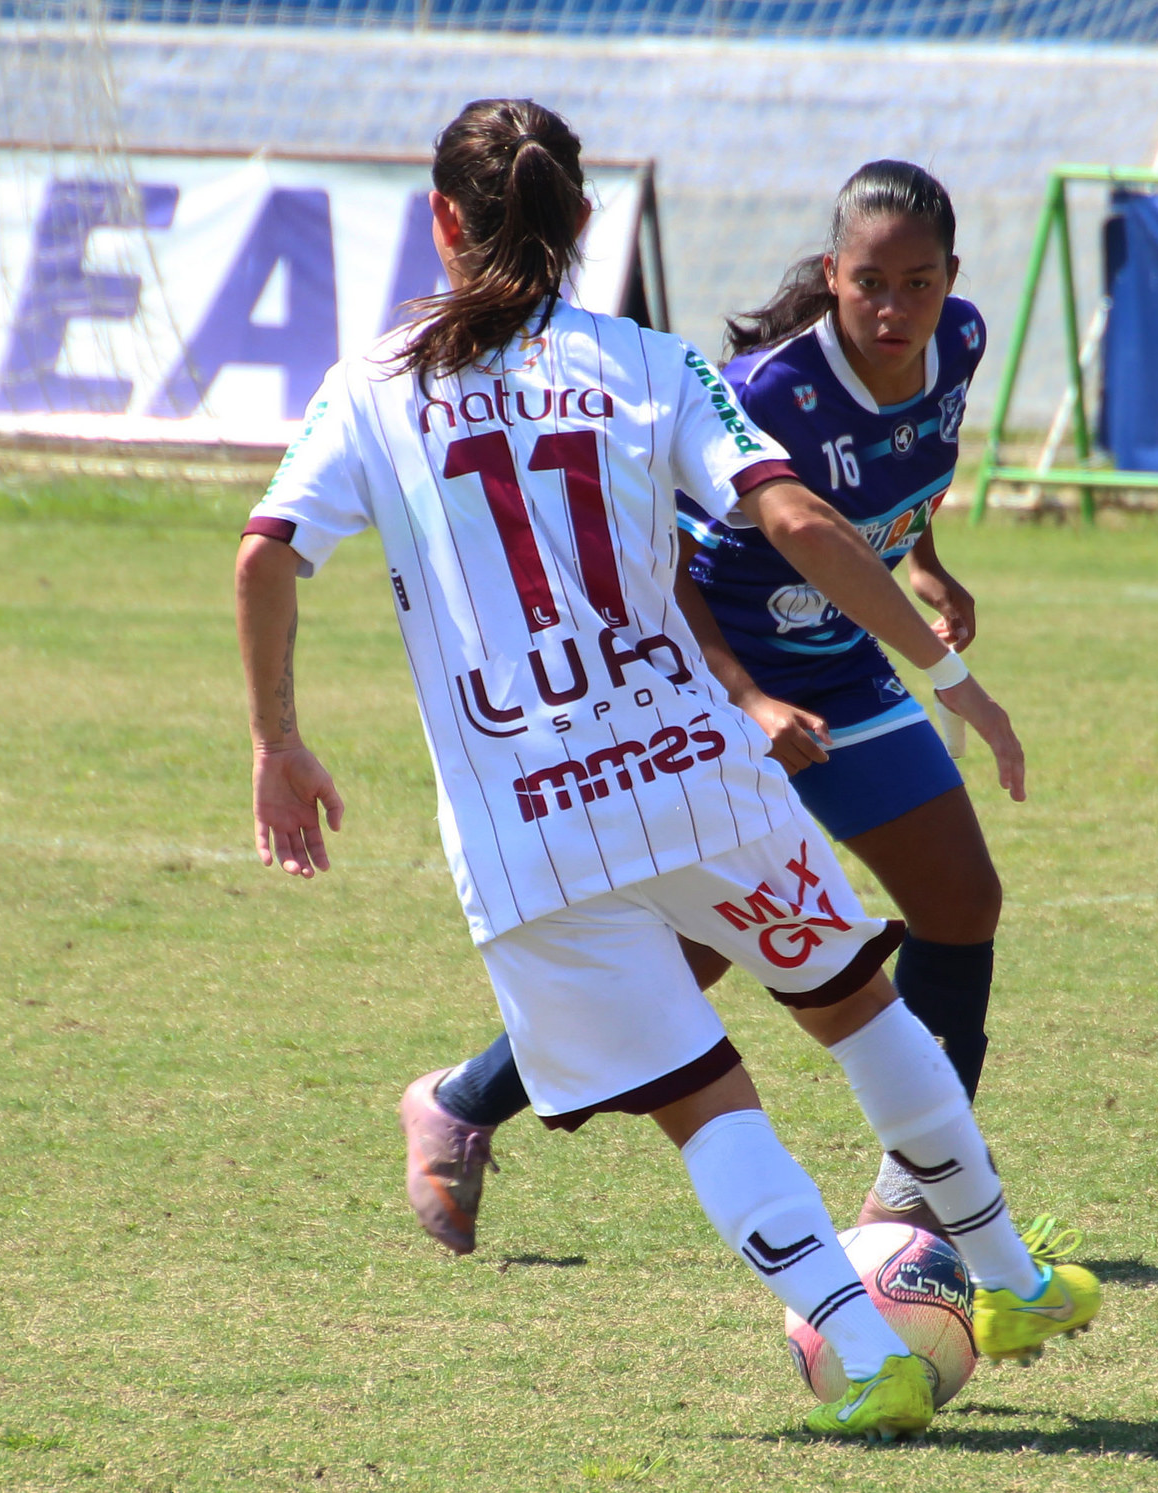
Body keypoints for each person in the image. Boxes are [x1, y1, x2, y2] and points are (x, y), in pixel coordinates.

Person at [236, 99, 1097, 1440]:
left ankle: (861, 1351)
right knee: (864, 1009)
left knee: (706, 1101)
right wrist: (950, 669)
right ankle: (1009, 1279)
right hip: (698, 771)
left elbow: (266, 554)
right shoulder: (652, 362)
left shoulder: (370, 387)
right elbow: (797, 515)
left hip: (531, 826)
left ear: (442, 223)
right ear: (588, 223)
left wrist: (276, 740)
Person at [401, 160, 1063, 1259]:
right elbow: (647, 559)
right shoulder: (761, 393)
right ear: (829, 275)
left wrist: (926, 560)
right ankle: (462, 1101)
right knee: (688, 958)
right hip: (716, 679)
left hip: (846, 668)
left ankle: (917, 1189)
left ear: (953, 276)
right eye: (869, 284)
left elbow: (904, 469)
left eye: (917, 281)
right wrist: (746, 696)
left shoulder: (962, 342)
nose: (895, 308)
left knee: (961, 899)